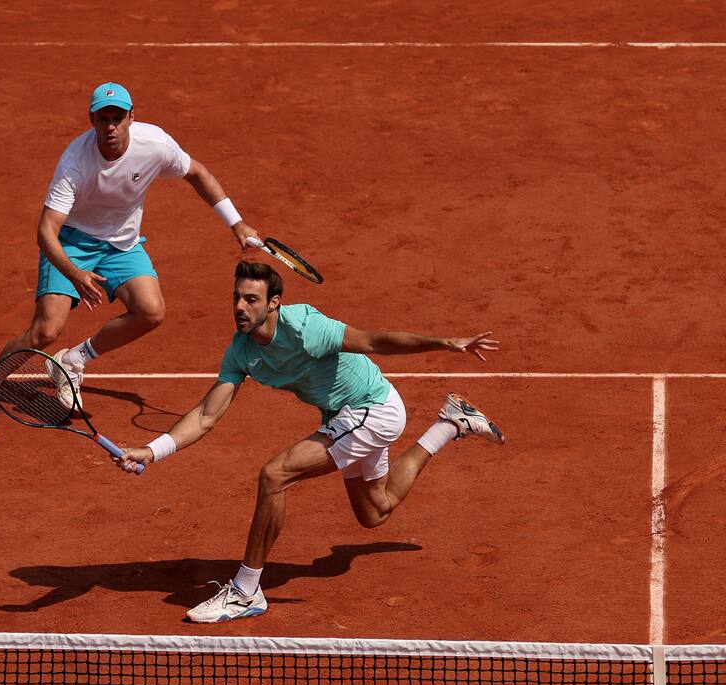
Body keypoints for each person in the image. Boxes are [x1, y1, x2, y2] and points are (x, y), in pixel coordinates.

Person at [113, 261, 507, 623]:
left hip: (373, 409)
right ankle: (451, 423)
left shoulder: (305, 328)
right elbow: (205, 416)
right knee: (375, 511)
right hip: (343, 417)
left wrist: (445, 343)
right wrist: (153, 450)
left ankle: (246, 590)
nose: (240, 306)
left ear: (274, 303)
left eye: (251, 299)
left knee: (275, 475)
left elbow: (372, 342)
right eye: (236, 297)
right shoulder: (242, 351)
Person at [0, 82, 259, 437]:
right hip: (71, 243)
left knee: (151, 312)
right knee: (46, 330)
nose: (111, 127)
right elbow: (46, 232)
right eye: (104, 119)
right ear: (92, 120)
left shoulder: (156, 144)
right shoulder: (75, 162)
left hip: (122, 244)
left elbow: (197, 172)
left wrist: (235, 222)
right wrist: (74, 274)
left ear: (132, 117)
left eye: (118, 118)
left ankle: (75, 360)